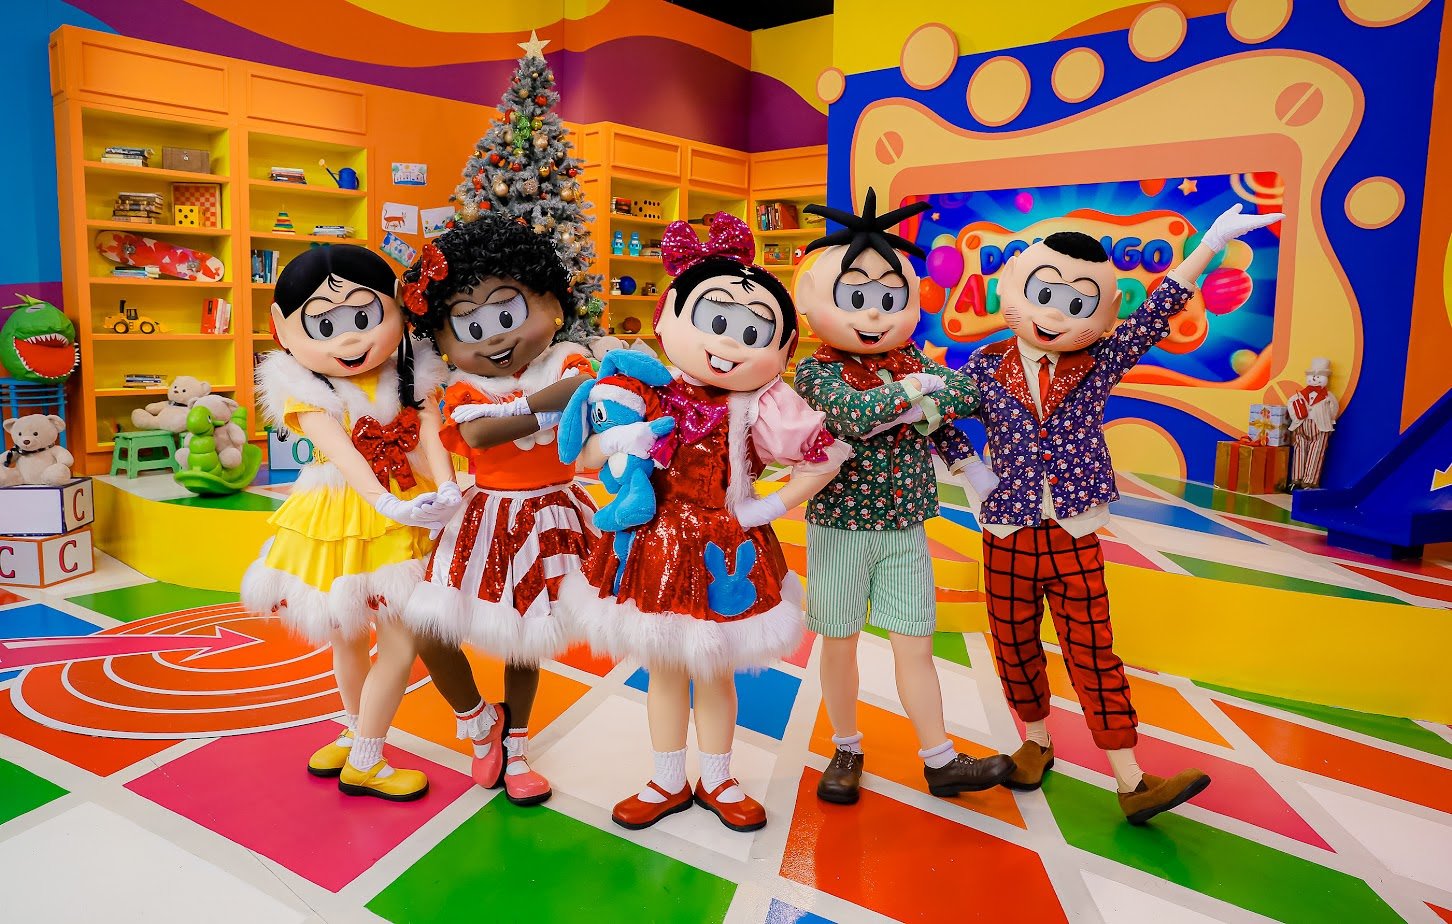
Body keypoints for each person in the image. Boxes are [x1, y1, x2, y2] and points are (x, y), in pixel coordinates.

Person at [959, 204, 1281, 824]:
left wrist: (1209, 245)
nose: (1056, 314)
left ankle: (1131, 779)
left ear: (1104, 312)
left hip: (1073, 529)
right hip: (1005, 530)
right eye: (1044, 294)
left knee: (1092, 650)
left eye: (1077, 304)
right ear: (1013, 289)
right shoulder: (983, 366)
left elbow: (1156, 314)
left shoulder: (1100, 360)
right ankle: (1035, 742)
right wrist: (968, 466)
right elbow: (939, 415)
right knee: (1013, 643)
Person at [559, 213, 850, 832]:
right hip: (653, 542)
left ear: (782, 349)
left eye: (754, 332)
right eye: (716, 322)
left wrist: (769, 506)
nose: (731, 344)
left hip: (728, 546)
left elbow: (823, 459)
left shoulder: (763, 406)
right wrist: (621, 442)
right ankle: (667, 778)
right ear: (668, 317)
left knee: (715, 669)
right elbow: (583, 459)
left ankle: (718, 777)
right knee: (664, 667)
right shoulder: (643, 390)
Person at [791, 189, 1015, 804]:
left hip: (906, 526)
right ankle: (846, 747)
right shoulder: (816, 371)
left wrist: (914, 400)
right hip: (839, 525)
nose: (874, 314)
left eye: (890, 299)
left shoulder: (910, 357)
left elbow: (966, 394)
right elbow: (853, 414)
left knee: (916, 644)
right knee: (839, 643)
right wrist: (915, 396)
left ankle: (939, 759)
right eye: (856, 299)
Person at [242, 244, 461, 801]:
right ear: (281, 328)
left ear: (397, 306)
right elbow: (343, 454)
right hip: (346, 511)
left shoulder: (412, 369)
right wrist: (386, 503)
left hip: (406, 503)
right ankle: (364, 753)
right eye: (325, 325)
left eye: (364, 318)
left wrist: (447, 486)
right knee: (359, 637)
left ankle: (357, 737)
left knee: (388, 637)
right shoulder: (302, 387)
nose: (348, 340)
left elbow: (431, 430)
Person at [399, 213, 598, 806]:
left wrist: (515, 411)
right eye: (469, 326)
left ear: (552, 304)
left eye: (508, 314)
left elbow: (580, 390)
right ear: (442, 338)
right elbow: (479, 437)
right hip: (484, 515)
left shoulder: (567, 359)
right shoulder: (463, 387)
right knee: (428, 626)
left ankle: (517, 745)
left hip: (553, 515)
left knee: (526, 640)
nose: (492, 340)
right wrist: (536, 408)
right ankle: (480, 720)